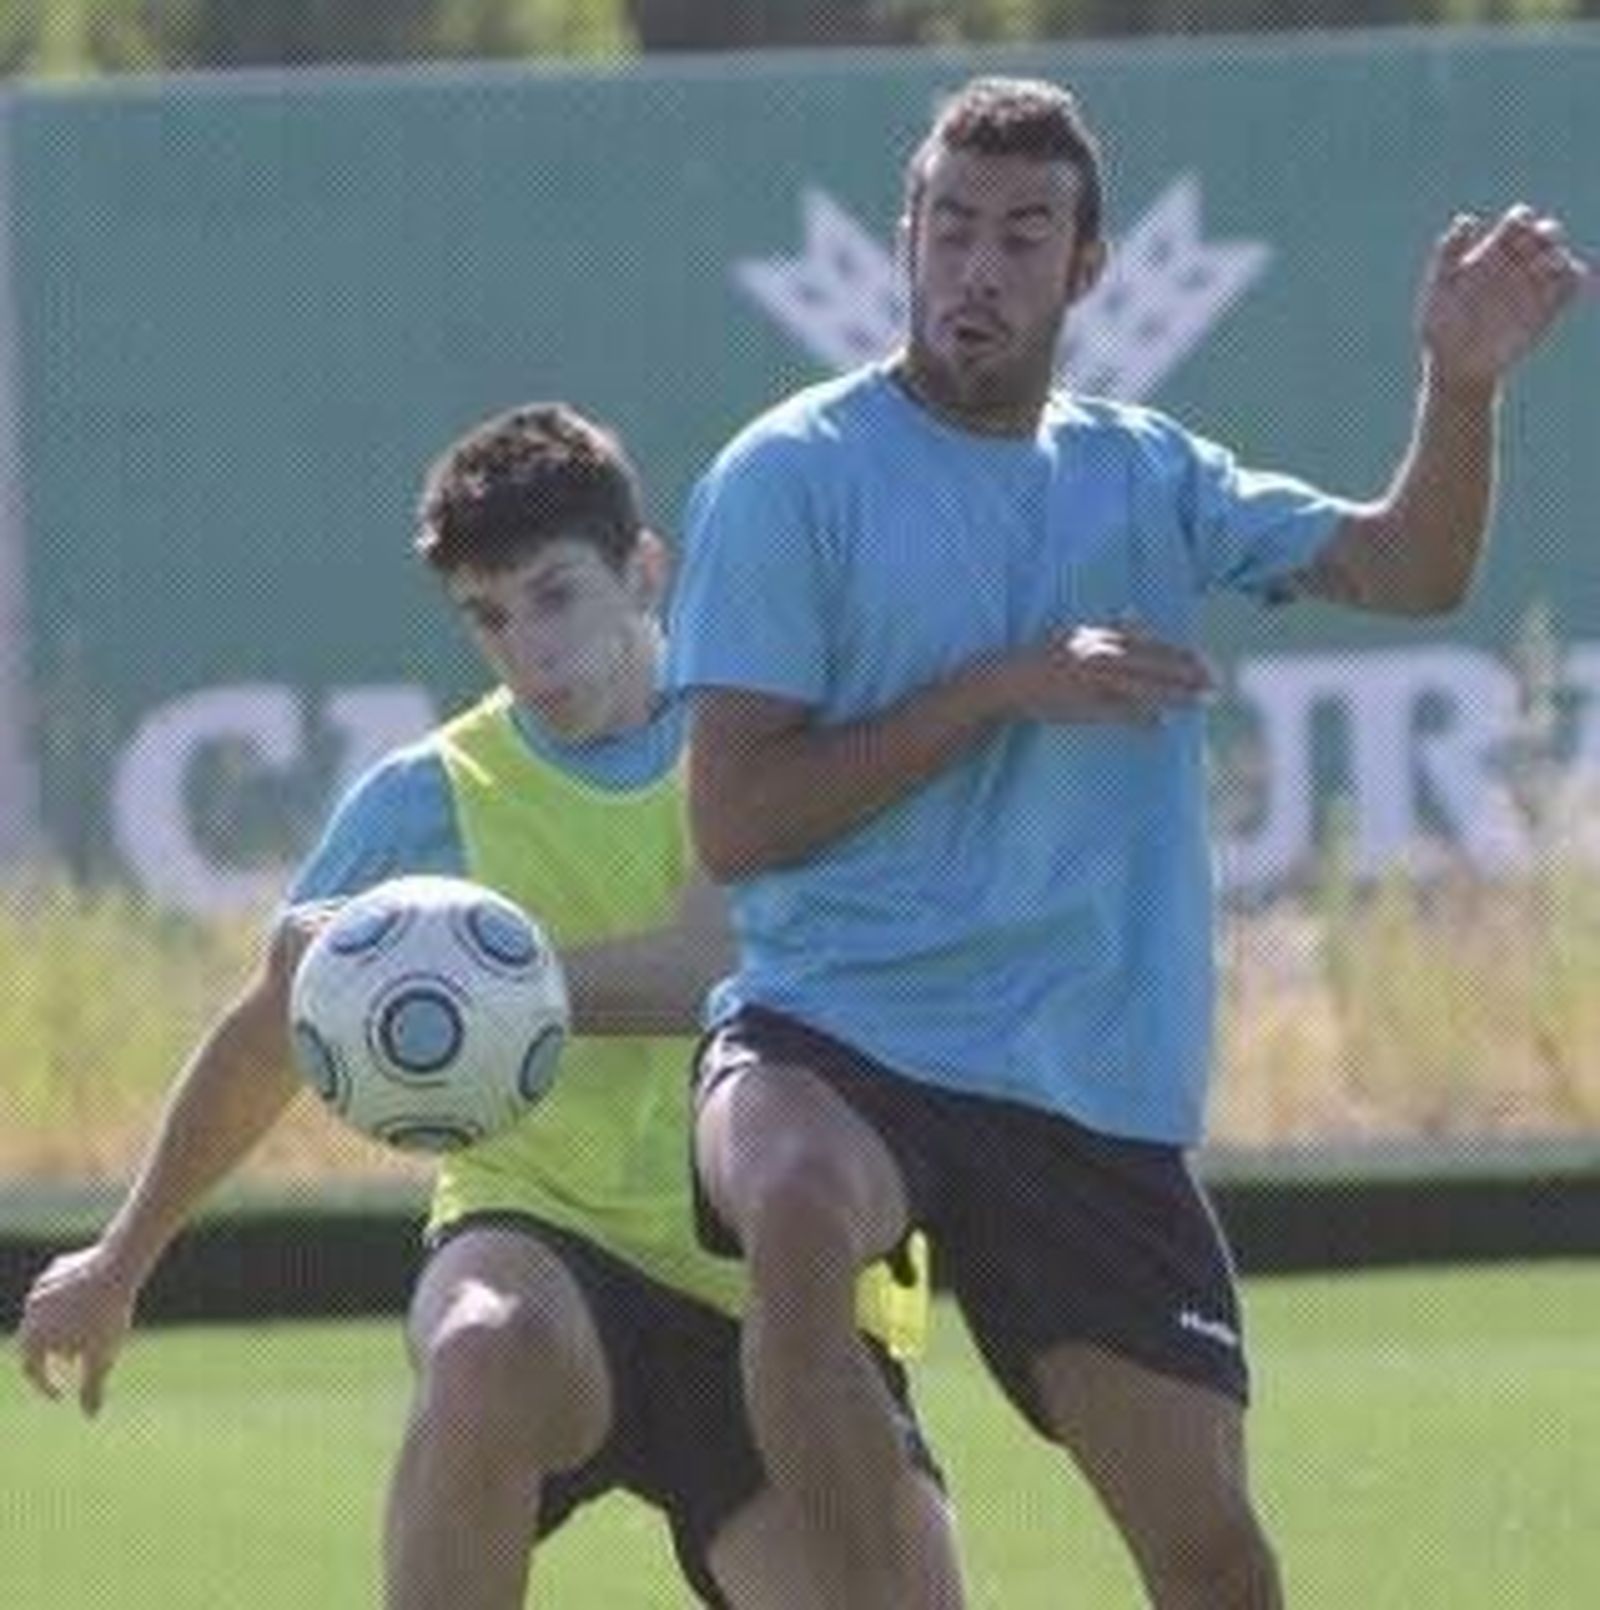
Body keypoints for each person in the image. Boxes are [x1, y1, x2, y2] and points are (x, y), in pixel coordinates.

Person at [665, 76, 1590, 1610]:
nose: (977, 266)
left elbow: (1414, 569)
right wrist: (1002, 688)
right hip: (837, 1025)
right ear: (904, 239)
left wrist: (1464, 390)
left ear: (1088, 268)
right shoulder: (788, 476)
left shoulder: (1151, 472)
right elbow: (738, 820)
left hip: (1081, 1078)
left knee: (1217, 1562)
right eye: (949, 227)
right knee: (792, 1201)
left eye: (1024, 235)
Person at [16, 403, 962, 1610]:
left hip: (780, 1283)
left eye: (557, 595)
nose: (529, 650)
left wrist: (470, 985)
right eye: (488, 615)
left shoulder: (761, 733)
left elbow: (722, 967)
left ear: (645, 570)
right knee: (479, 1346)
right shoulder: (427, 797)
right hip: (541, 1235)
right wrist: (120, 1255)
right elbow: (275, 1028)